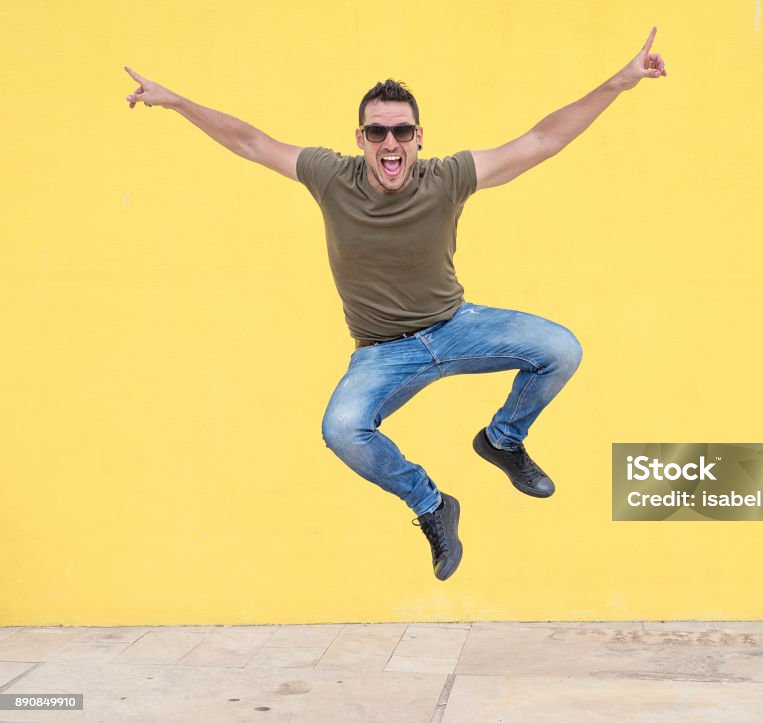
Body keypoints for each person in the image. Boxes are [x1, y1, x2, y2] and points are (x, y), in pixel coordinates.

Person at [124, 29, 667, 581]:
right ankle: (432, 506)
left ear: (418, 136)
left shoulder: (448, 177)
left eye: (402, 130)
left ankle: (503, 440)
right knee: (341, 429)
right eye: (378, 131)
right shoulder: (329, 176)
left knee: (561, 349)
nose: (391, 143)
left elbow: (542, 139)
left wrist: (619, 84)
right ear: (361, 137)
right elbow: (251, 142)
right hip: (382, 354)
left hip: (457, 328)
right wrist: (177, 102)